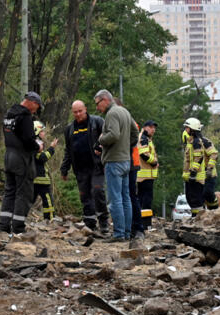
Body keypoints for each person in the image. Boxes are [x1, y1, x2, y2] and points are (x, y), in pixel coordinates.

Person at [60, 100, 110, 234]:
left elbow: (108, 137)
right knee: (85, 195)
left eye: (80, 111)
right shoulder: (69, 129)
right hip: (80, 168)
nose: (78, 114)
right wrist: (64, 168)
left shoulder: (97, 122)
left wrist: (104, 154)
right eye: (75, 112)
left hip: (97, 165)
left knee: (98, 190)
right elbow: (68, 150)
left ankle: (104, 223)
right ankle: (90, 224)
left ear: (85, 109)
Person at [94, 89, 138, 241]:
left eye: (97, 104)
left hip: (114, 161)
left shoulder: (112, 114)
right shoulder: (124, 111)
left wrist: (100, 139)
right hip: (126, 161)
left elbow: (113, 135)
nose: (97, 108)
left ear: (105, 100)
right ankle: (126, 233)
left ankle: (119, 234)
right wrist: (127, 146)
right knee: (126, 198)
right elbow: (135, 132)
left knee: (115, 199)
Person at [0, 91, 43, 234]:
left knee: (9, 191)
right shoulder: (25, 116)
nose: (35, 110)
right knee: (23, 192)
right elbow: (29, 140)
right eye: (37, 107)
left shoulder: (9, 113)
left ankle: (3, 225)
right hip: (21, 158)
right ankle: (18, 227)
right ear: (32, 102)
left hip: (8, 156)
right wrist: (38, 146)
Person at [32, 121, 59, 221]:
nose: (44, 133)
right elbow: (43, 157)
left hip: (34, 179)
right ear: (37, 131)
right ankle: (50, 220)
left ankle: (20, 217)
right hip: (41, 180)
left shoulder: (33, 142)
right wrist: (52, 148)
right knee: (48, 201)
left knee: (30, 200)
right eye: (42, 131)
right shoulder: (36, 143)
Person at [182, 118, 207, 216]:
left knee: (196, 200)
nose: (185, 129)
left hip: (196, 177)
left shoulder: (196, 142)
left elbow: (199, 157)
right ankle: (195, 218)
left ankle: (199, 219)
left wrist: (193, 172)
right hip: (191, 177)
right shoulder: (191, 142)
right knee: (191, 199)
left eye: (187, 127)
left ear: (192, 129)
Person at [137, 121, 159, 230]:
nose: (153, 129)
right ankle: (146, 225)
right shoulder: (143, 138)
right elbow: (143, 154)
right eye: (151, 127)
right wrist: (154, 162)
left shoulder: (146, 138)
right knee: (146, 200)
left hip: (145, 175)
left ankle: (142, 224)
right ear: (145, 127)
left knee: (142, 199)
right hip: (145, 175)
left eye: (154, 127)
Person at [202, 133, 220, 211]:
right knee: (197, 197)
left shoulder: (205, 142)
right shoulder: (189, 145)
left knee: (208, 192)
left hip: (209, 175)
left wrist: (209, 168)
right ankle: (198, 216)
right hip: (196, 176)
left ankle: (214, 209)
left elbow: (214, 154)